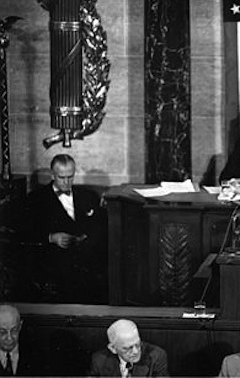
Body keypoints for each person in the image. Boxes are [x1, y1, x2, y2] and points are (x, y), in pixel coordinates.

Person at [23, 154, 108, 303]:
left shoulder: (88, 196)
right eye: (62, 177)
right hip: (54, 262)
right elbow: (25, 232)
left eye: (71, 176)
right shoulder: (36, 199)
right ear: (52, 175)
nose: (67, 182)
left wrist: (86, 237)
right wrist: (51, 237)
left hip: (87, 261)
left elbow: (100, 225)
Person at [88, 319, 169, 377]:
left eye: (137, 344)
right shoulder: (99, 360)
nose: (135, 351)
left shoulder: (156, 356)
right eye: (127, 348)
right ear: (113, 348)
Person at [0, 303, 40, 376]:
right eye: (2, 332)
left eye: (14, 330)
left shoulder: (36, 353)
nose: (9, 338)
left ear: (20, 326)